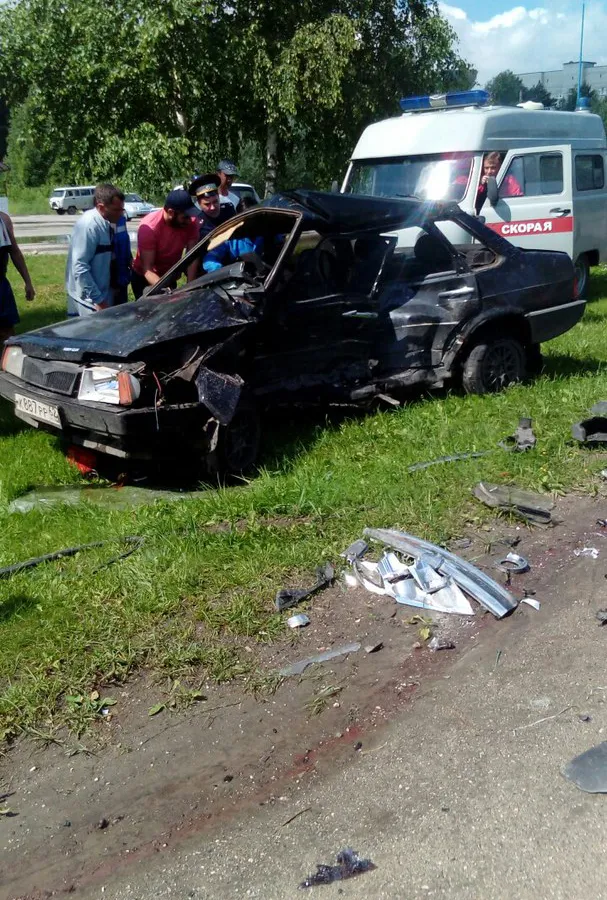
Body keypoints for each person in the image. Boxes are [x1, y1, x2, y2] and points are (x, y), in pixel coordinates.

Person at [65, 183, 125, 316]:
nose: (121, 214)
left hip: (102, 295)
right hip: (88, 302)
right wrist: (99, 300)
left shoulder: (106, 223)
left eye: (122, 209)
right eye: (116, 210)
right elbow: (79, 267)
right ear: (101, 207)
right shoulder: (89, 226)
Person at [131, 189, 200, 299]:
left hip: (168, 276)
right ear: (171, 212)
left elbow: (192, 257)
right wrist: (168, 292)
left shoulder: (191, 222)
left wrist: (190, 287)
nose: (189, 220)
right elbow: (147, 269)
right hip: (145, 278)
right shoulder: (150, 228)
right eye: (185, 217)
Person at [0, 211, 35, 342]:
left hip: (0, 284)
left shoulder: (3, 220)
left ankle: (8, 355)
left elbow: (14, 252)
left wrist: (28, 282)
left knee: (6, 331)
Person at [189, 174, 235, 241]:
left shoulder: (229, 210)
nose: (212, 207)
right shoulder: (197, 224)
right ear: (199, 203)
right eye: (207, 204)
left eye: (215, 202)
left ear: (218, 197)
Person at [113, 213, 132, 305]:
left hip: (123, 275)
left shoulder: (121, 218)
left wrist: (130, 259)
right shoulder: (103, 220)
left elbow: (124, 242)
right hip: (110, 279)